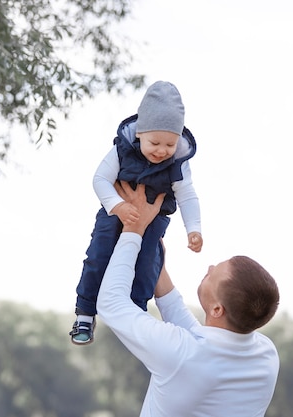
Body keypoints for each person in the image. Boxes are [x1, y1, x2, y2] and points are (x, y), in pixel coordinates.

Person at [97, 181, 280, 417]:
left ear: (216, 309)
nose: (210, 267)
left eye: (214, 273)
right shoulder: (265, 355)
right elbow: (201, 343)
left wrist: (134, 228)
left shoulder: (182, 355)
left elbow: (111, 303)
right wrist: (156, 266)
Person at [70, 81, 203, 345]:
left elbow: (187, 196)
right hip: (113, 215)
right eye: (155, 142)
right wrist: (117, 205)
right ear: (140, 133)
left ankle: (136, 313)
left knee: (146, 269)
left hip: (153, 222)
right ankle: (85, 311)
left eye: (170, 144)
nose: (162, 151)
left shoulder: (178, 163)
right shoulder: (122, 150)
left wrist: (194, 228)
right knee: (98, 257)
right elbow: (100, 179)